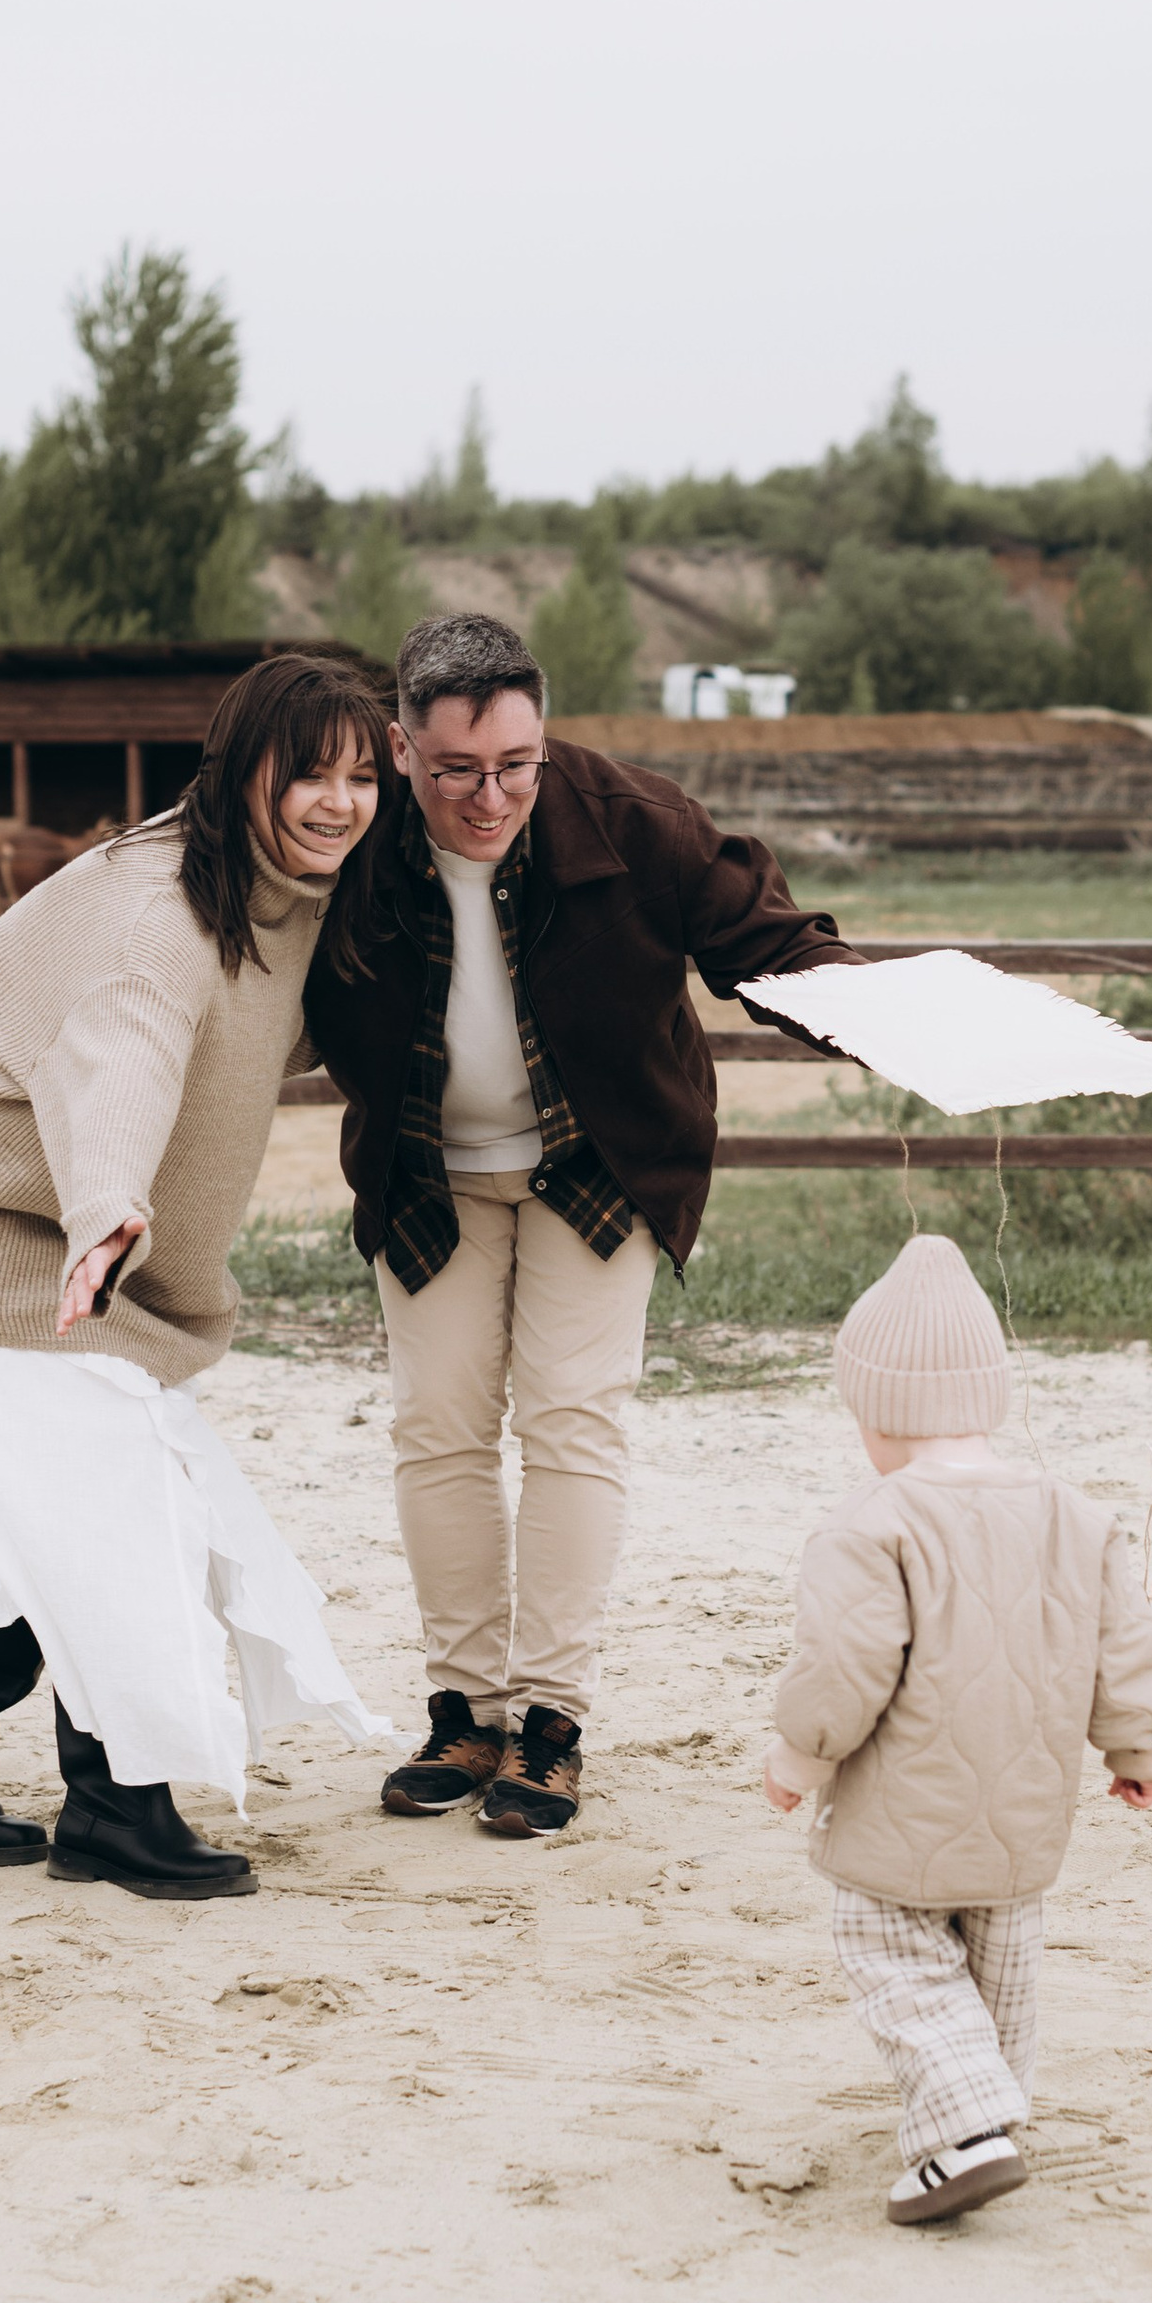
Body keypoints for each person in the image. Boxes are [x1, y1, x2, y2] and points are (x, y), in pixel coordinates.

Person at [0, 651, 401, 1902]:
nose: (337, 800)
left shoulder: (285, 889)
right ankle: (113, 1804)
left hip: (58, 1227)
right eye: (308, 770)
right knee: (118, 1483)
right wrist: (107, 1204)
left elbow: (272, 1029)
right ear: (239, 764)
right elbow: (122, 1047)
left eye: (361, 775)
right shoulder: (160, 909)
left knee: (67, 1485)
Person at [302, 609, 858, 1841]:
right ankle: (464, 1709)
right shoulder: (358, 838)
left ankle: (547, 1723)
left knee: (571, 1422)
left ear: (542, 740)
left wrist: (888, 1020)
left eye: (514, 763)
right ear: (401, 749)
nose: (488, 795)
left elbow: (768, 944)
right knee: (437, 1427)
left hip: (594, 1160)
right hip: (425, 1166)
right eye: (455, 770)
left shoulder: (633, 822)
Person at [761, 1232, 1152, 2222]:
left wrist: (798, 1754)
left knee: (895, 1956)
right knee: (1000, 1971)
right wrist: (1136, 1745)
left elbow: (842, 1665)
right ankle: (991, 2108)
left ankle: (966, 2130)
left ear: (877, 1410)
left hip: (903, 1815)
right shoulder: (1076, 1515)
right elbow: (1126, 1640)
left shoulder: (870, 1523)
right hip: (1028, 1815)